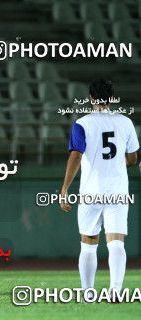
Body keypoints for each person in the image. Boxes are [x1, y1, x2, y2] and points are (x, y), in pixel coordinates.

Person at [60, 79, 138, 299]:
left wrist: (64, 188)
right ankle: (115, 291)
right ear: (112, 98)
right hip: (118, 191)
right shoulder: (125, 122)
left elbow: (75, 155)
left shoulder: (82, 123)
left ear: (91, 98)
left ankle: (88, 293)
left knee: (88, 243)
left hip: (91, 191)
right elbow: (132, 158)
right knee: (115, 241)